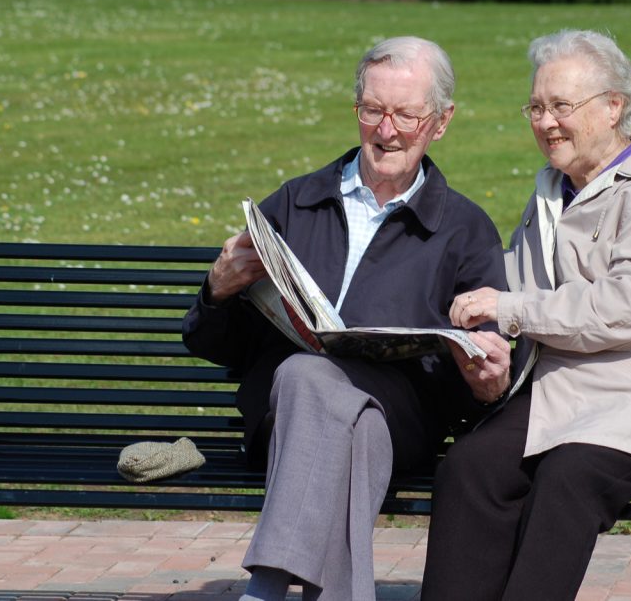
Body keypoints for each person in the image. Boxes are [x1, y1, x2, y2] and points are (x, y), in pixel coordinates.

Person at [182, 36, 512, 601]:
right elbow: (218, 345)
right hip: (285, 422)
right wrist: (218, 290)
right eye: (372, 111)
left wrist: (487, 378)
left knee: (320, 385)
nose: (386, 131)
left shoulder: (464, 228)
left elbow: (483, 370)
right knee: (313, 385)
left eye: (406, 114)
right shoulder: (296, 201)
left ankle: (264, 588)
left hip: (402, 421)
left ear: (441, 122)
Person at [420, 29, 631, 601]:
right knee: (470, 469)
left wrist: (510, 310)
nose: (545, 123)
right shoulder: (552, 193)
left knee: (568, 476)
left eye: (561, 107)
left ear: (614, 107)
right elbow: (511, 282)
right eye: (536, 108)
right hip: (564, 389)